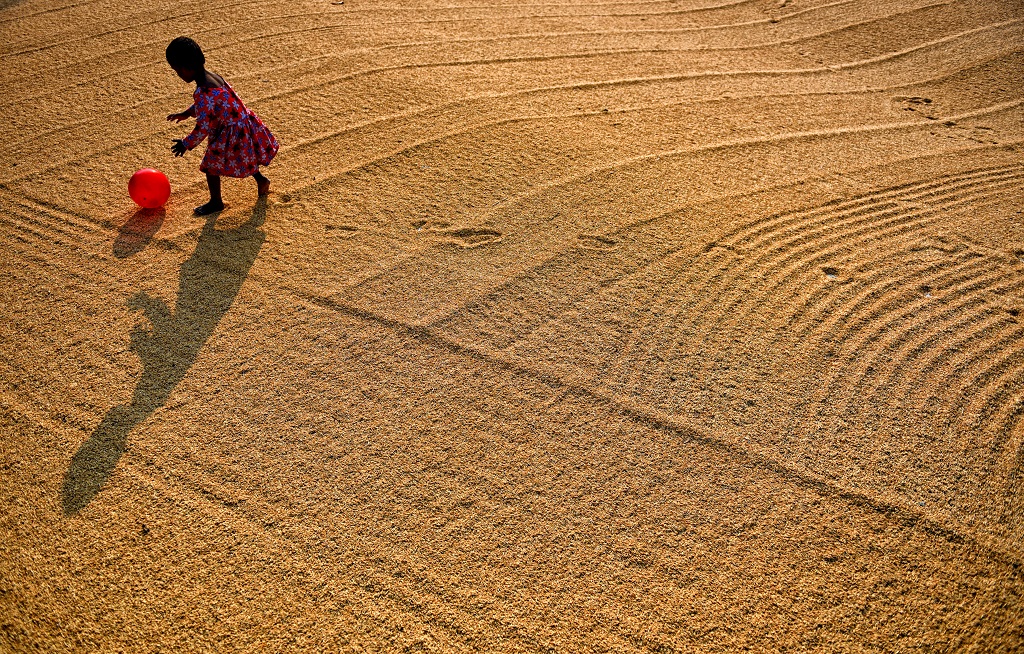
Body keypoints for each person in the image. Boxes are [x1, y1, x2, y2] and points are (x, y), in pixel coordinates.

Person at [165, 36, 279, 215]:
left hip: (230, 132)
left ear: (187, 67)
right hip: (243, 124)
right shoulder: (214, 77)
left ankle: (216, 202)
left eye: (178, 70)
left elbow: (203, 126)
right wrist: (187, 113)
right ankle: (261, 180)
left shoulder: (202, 91)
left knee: (210, 166)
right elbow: (212, 105)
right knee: (246, 156)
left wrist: (185, 144)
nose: (179, 75)